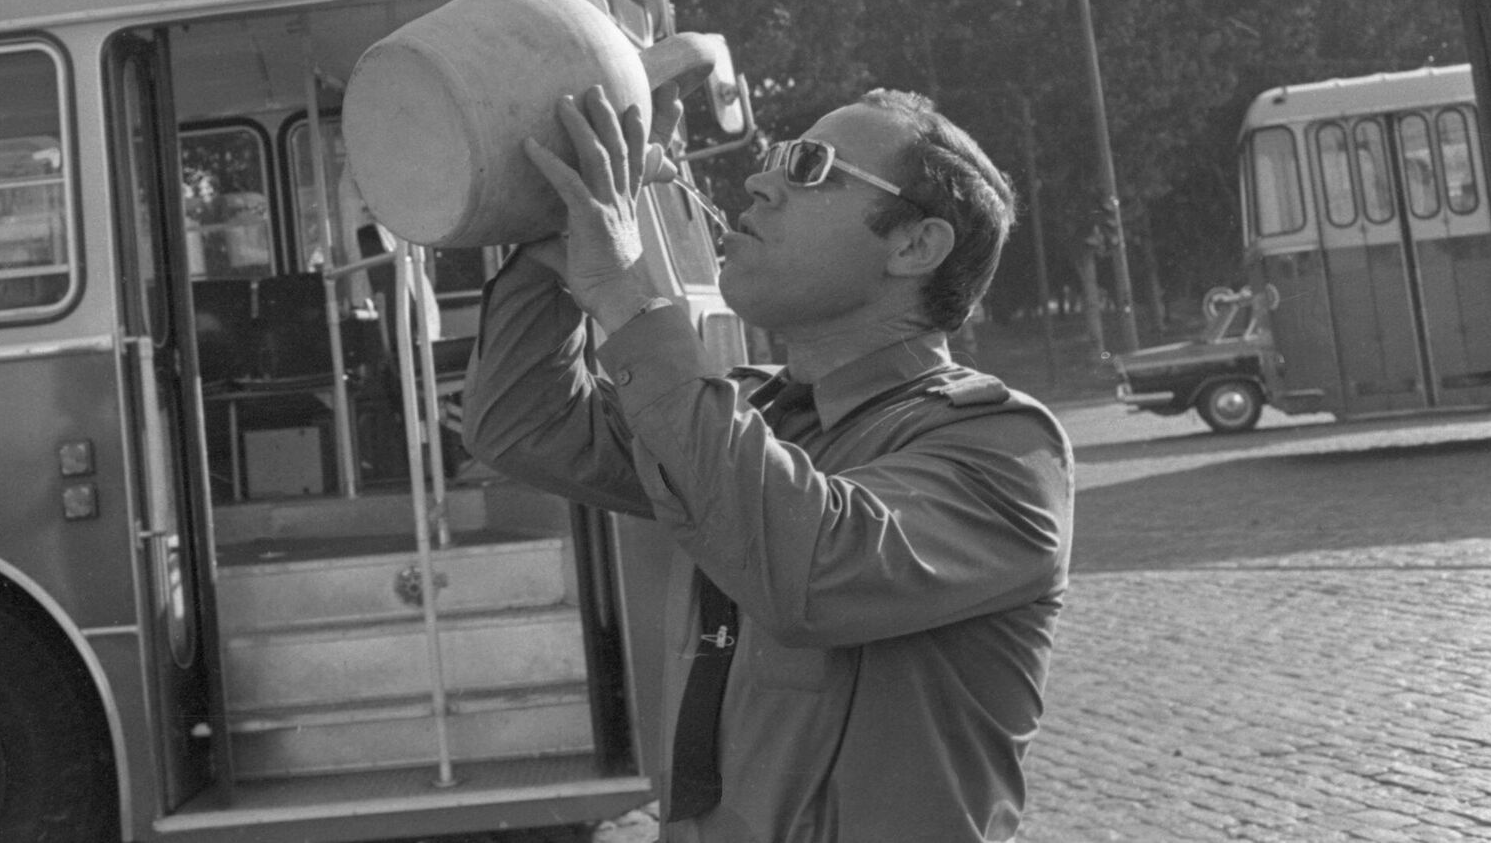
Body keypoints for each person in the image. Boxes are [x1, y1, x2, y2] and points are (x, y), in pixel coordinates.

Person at [460, 84, 1074, 842]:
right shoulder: (748, 421)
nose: (759, 181)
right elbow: (524, 421)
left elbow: (809, 568)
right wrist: (559, 221)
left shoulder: (1004, 450)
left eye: (811, 166)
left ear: (915, 245)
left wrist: (627, 300)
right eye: (777, 156)